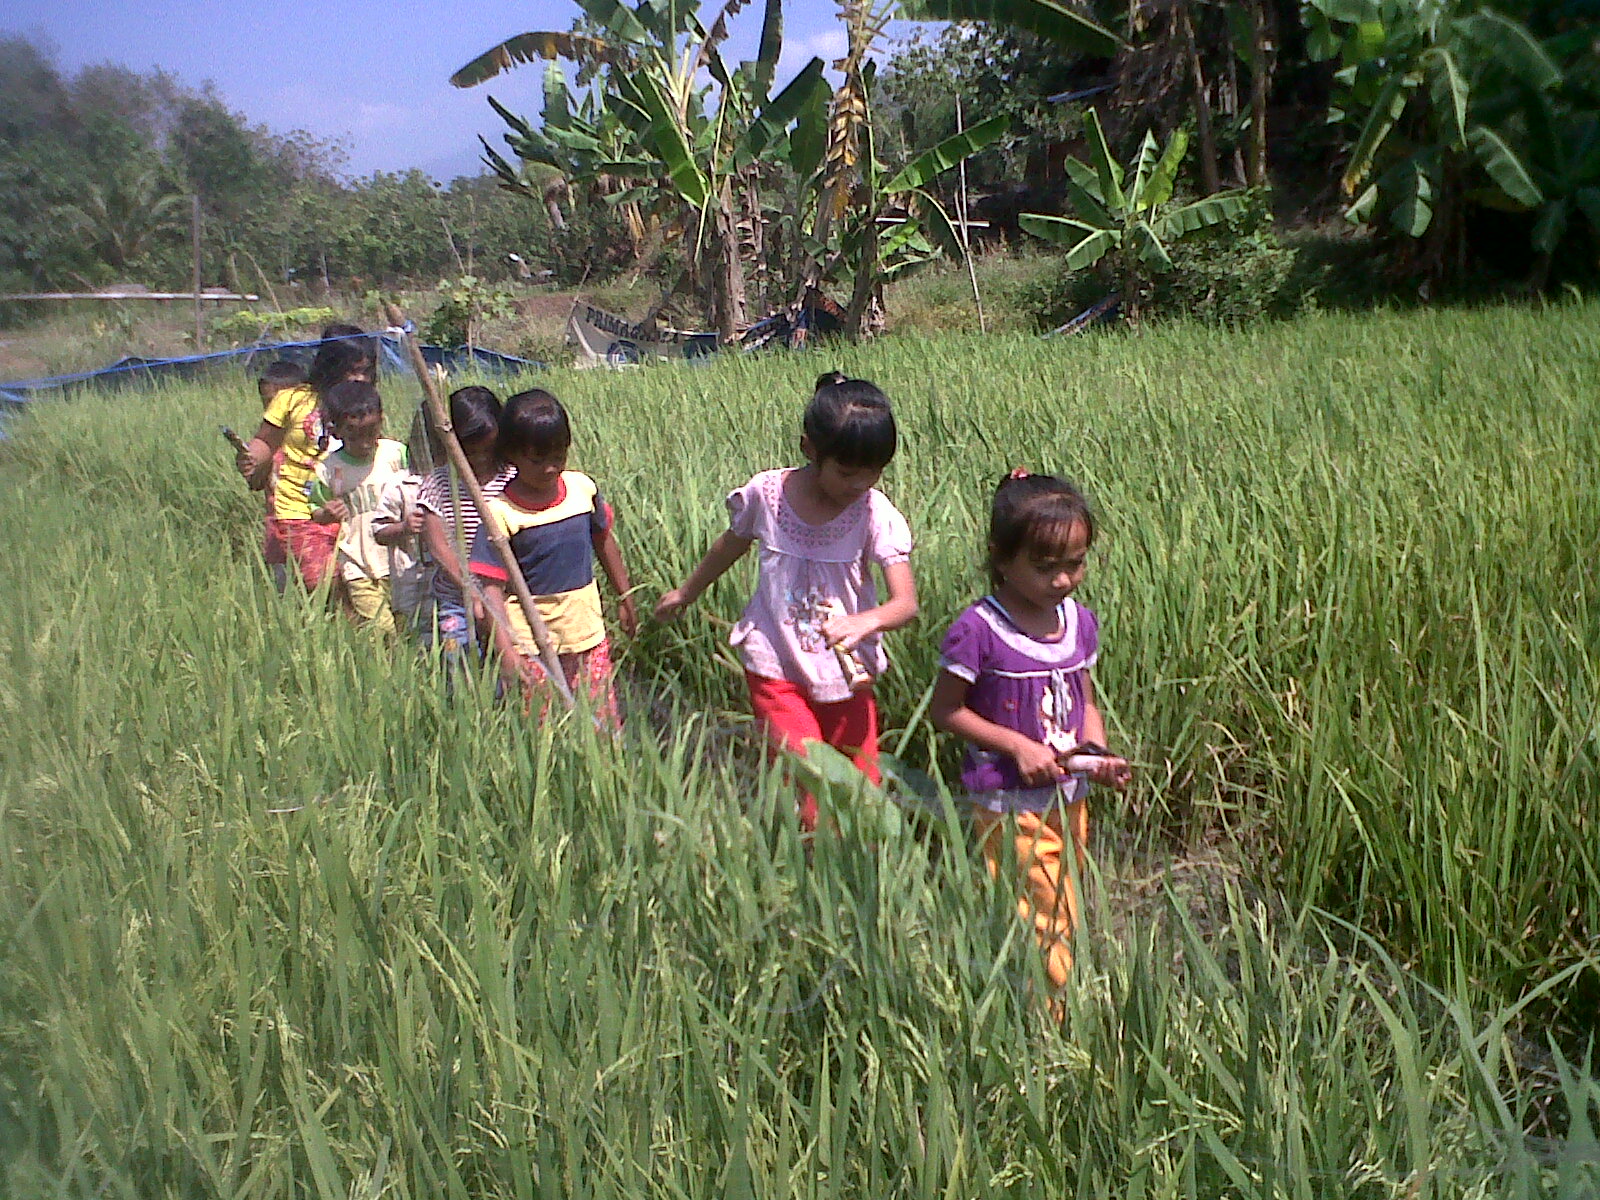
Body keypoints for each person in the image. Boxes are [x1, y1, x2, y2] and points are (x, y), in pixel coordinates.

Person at [655, 371, 918, 831]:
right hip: (774, 663)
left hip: (845, 672)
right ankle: (817, 873)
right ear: (810, 449)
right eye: (847, 471)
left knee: (863, 783)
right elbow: (729, 545)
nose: (860, 483)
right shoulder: (767, 495)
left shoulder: (874, 512)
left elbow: (905, 603)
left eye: (873, 471)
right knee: (811, 778)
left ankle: (868, 875)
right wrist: (686, 592)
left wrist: (866, 622)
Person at [929, 470, 1131, 1003]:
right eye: (1045, 568)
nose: (1063, 580)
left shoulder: (1078, 623)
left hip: (1069, 798)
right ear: (1001, 557)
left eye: (1076, 563)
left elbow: (1084, 699)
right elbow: (946, 712)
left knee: (1058, 901)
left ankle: (1019, 984)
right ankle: (1056, 1019)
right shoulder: (978, 630)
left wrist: (1097, 755)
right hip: (1010, 802)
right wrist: (1017, 745)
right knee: (1045, 911)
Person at [468, 389, 637, 720]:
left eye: (558, 456)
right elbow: (490, 589)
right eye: (537, 459)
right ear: (512, 455)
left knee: (601, 723)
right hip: (532, 642)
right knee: (545, 729)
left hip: (587, 634)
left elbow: (604, 541)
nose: (550, 468)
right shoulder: (500, 513)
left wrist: (625, 597)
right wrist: (506, 653)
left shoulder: (581, 490)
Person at [235, 324, 376, 591]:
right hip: (299, 510)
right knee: (323, 582)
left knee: (358, 583)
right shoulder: (293, 400)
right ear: (330, 366)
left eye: (366, 372)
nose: (359, 379)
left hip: (349, 510)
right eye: (352, 370)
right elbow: (265, 441)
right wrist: (251, 458)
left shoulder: (365, 405)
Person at [416, 387, 514, 656]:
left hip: (509, 598)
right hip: (457, 598)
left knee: (511, 662)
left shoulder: (513, 479)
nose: (480, 461)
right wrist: (470, 588)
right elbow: (438, 547)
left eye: (489, 451)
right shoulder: (438, 484)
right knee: (459, 661)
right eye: (471, 454)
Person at [307, 380, 409, 632]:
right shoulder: (328, 469)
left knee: (407, 625)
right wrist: (327, 513)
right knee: (381, 630)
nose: (365, 443)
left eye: (371, 432)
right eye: (355, 436)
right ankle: (382, 668)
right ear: (336, 432)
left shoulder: (396, 454)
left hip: (399, 560)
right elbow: (314, 510)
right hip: (359, 564)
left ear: (381, 420)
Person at [251, 359, 307, 591]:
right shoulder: (267, 445)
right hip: (278, 531)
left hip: (310, 526)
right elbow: (255, 483)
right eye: (267, 403)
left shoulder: (312, 444)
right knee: (284, 588)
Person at [371, 469, 430, 637]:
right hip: (412, 581)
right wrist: (404, 527)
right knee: (413, 637)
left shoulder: (457, 476)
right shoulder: (401, 484)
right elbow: (379, 532)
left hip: (450, 581)